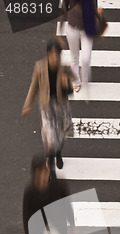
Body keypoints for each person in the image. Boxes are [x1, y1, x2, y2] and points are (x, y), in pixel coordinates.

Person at [22, 39, 74, 175]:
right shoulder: (39, 67)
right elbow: (34, 87)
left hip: (61, 105)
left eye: (57, 54)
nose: (54, 57)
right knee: (50, 137)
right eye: (52, 54)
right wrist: (28, 105)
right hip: (46, 105)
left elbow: (71, 91)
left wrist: (66, 85)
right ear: (47, 54)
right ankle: (50, 165)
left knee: (62, 134)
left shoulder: (64, 69)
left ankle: (58, 153)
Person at [60, 0, 103, 92]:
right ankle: (76, 81)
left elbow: (94, 8)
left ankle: (85, 77)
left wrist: (98, 15)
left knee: (86, 59)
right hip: (72, 29)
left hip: (87, 29)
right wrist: (60, 28)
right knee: (74, 58)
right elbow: (64, 9)